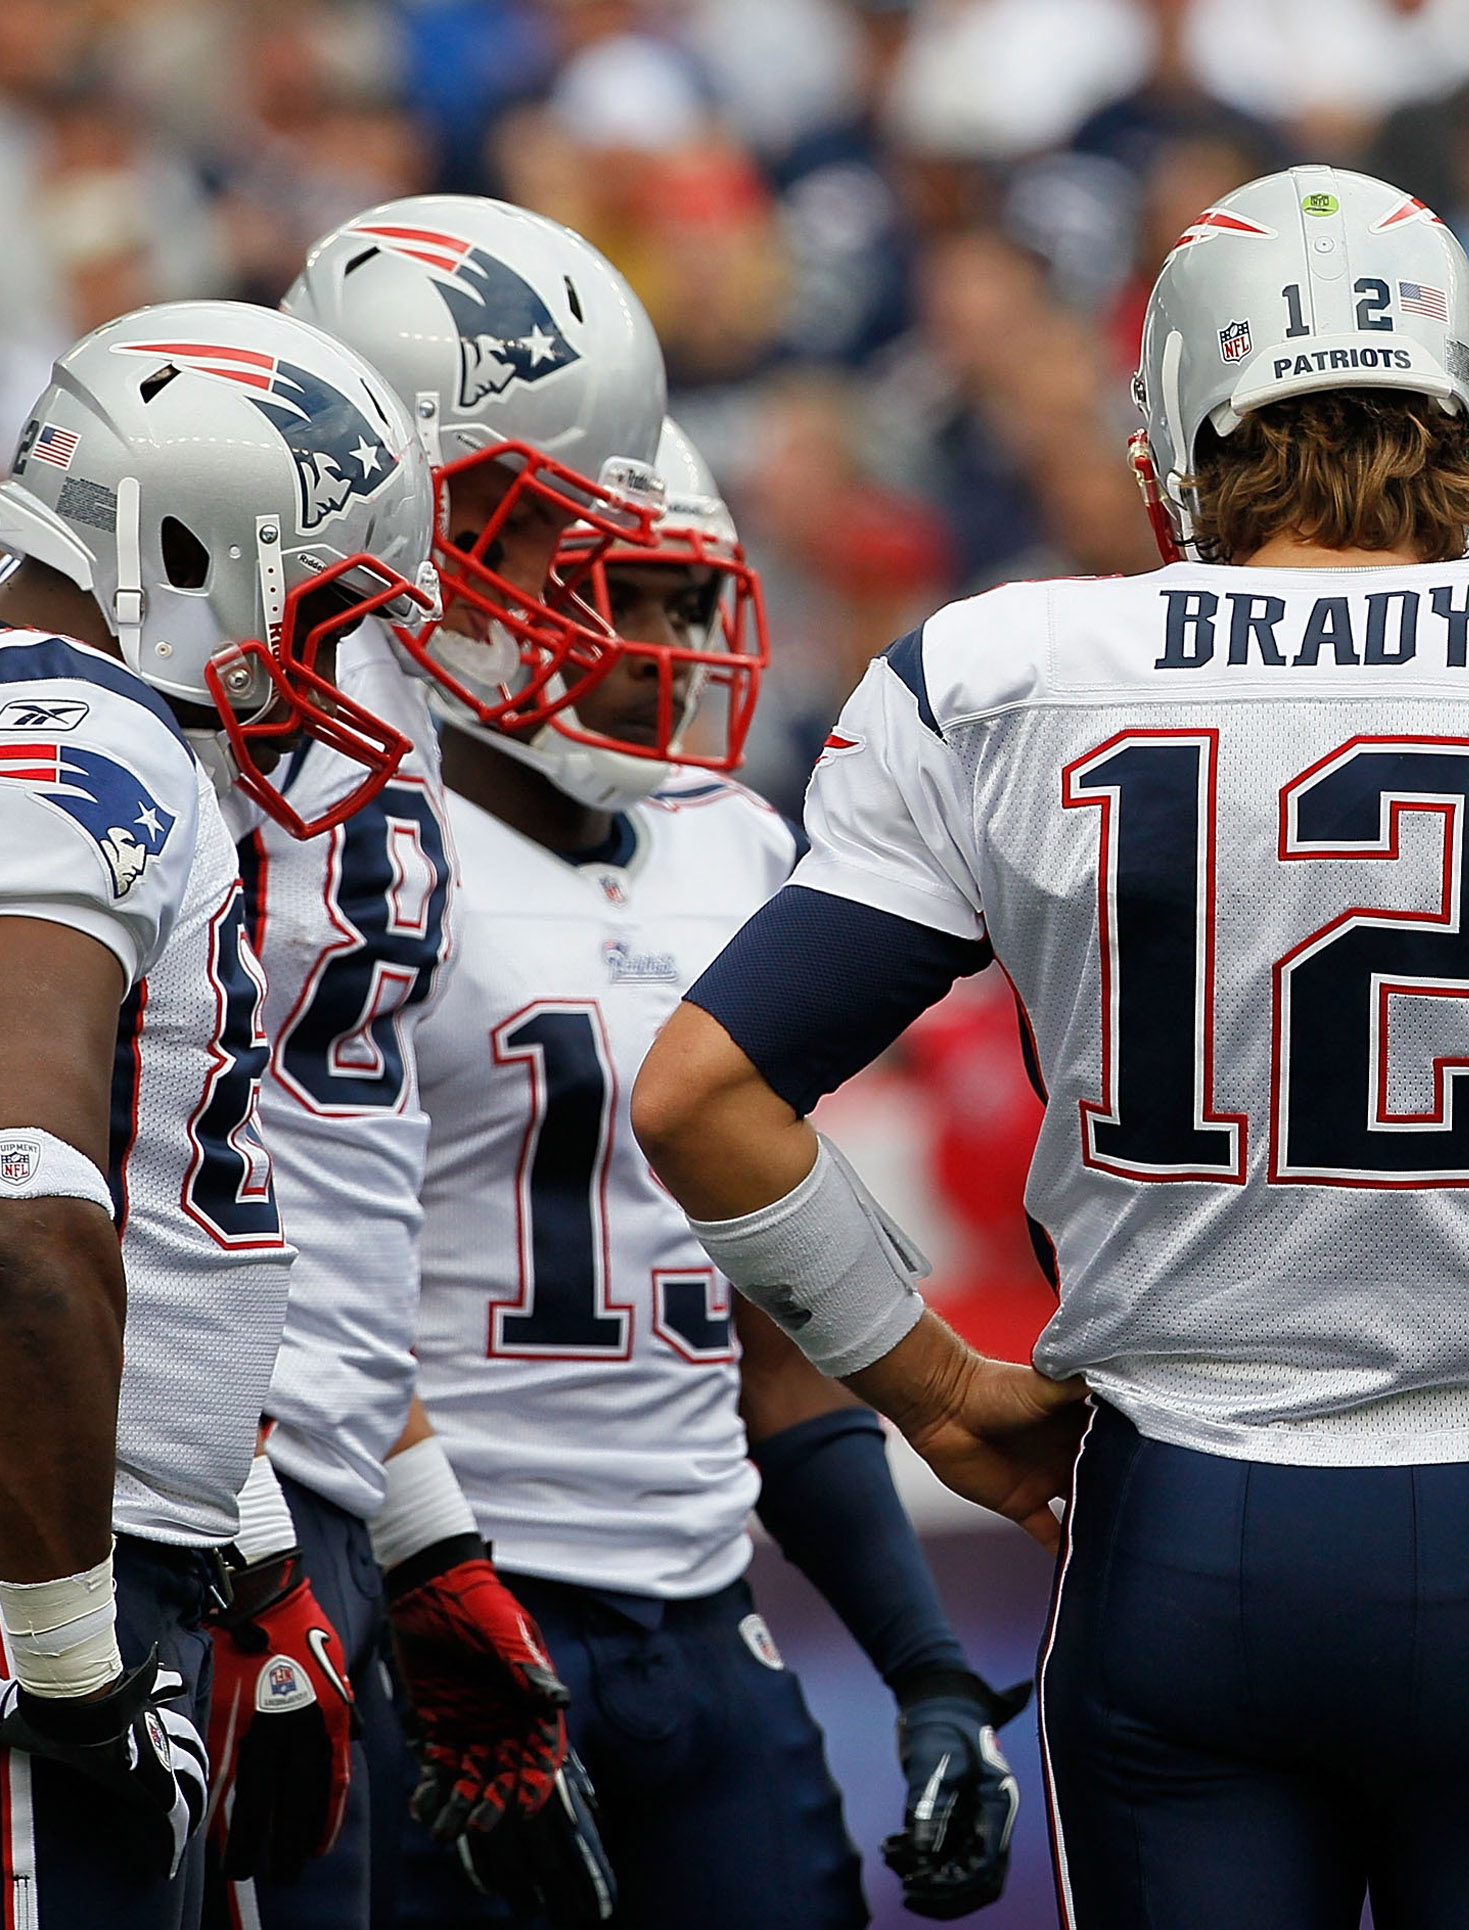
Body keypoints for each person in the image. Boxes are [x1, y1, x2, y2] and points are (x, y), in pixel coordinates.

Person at [630, 163, 1469, 1930]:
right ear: (1462, 411)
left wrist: (942, 1392)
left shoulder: (1014, 667)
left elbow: (702, 1090)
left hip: (1168, 1530)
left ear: (1187, 419)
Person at [388, 423, 1019, 1929]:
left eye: (690, 601)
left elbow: (774, 1339)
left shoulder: (732, 851)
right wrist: (415, 1580)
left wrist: (927, 1664)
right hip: (451, 1604)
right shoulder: (375, 851)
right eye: (630, 597)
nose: (673, 645)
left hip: (701, 1600)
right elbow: (302, 1274)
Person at [221, 190, 677, 1930]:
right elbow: (125, 1148)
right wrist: (246, 1506)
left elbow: (327, 1168)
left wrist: (415, 1531)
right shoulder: (190, 675)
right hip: (185, 1509)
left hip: (314, 1485)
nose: (560, 571)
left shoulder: (384, 698)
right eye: (522, 509)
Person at [0, 297, 436, 1927]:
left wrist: (240, 1532)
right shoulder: (73, 731)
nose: (326, 664)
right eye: (320, 607)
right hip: (47, 1591)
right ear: (181, 549)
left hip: (111, 1545)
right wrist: (78, 1671)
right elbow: (30, 1208)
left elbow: (145, 1202)